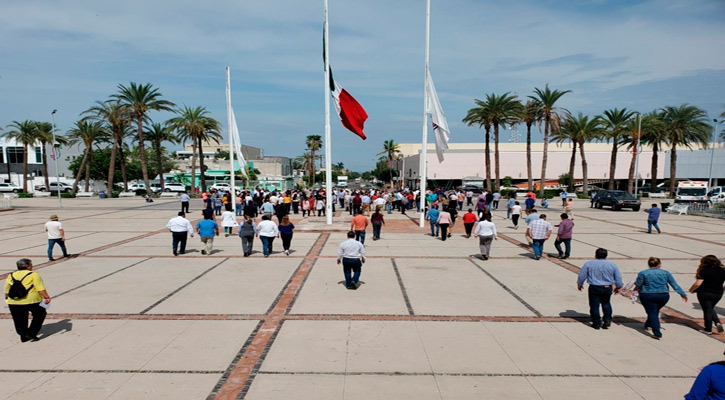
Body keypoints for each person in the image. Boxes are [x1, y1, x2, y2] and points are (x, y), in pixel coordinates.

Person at [635, 257, 688, 339]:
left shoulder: (643, 273)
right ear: (659, 264)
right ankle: (648, 324)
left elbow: (638, 284)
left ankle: (657, 332)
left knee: (652, 312)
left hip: (647, 294)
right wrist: (682, 293)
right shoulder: (666, 273)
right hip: (663, 295)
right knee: (654, 311)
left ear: (649, 264)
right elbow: (674, 284)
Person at [4, 259, 51, 342]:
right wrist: (46, 297)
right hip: (32, 300)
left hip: (13, 301)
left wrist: (7, 298)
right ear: (27, 266)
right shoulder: (34, 275)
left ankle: (23, 336)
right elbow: (40, 288)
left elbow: (7, 289)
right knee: (40, 314)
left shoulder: (11, 275)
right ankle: (32, 333)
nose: (32, 266)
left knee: (19, 319)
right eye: (31, 265)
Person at [577, 248, 624, 330]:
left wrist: (580, 284)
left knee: (594, 305)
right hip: (607, 287)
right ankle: (607, 320)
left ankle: (596, 323)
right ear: (606, 255)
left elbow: (582, 275)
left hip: (594, 287)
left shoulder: (589, 264)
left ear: (595, 255)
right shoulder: (612, 264)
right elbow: (618, 277)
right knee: (606, 303)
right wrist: (618, 286)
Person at [689, 255, 725, 334]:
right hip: (718, 293)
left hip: (704, 293)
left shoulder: (704, 270)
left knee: (707, 310)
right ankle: (717, 322)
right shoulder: (723, 270)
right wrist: (722, 289)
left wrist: (691, 290)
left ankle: (708, 329)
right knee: (710, 308)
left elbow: (698, 283)